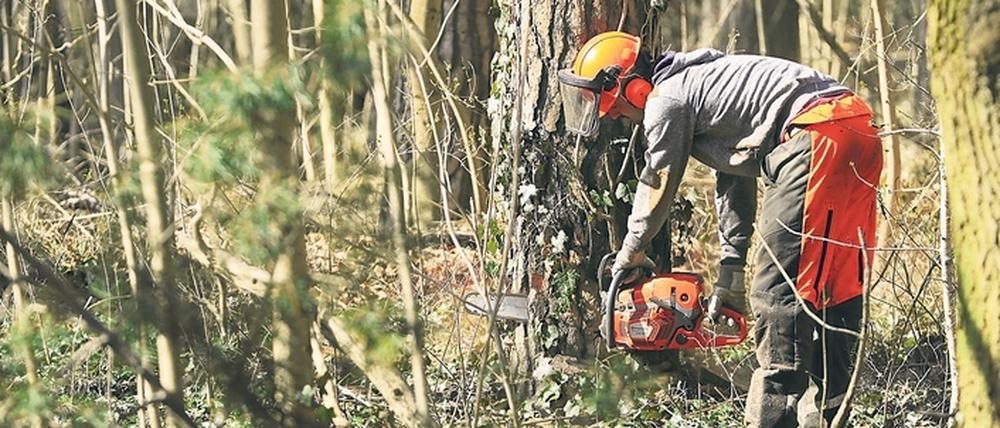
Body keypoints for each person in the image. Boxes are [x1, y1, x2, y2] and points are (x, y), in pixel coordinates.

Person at [558, 31, 882, 427]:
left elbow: (658, 179)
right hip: (857, 127)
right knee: (833, 280)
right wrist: (731, 269)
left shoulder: (667, 98)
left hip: (816, 135)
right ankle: (831, 412)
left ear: (635, 88)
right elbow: (736, 178)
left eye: (616, 107)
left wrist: (631, 252)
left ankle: (774, 419)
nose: (617, 117)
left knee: (778, 291)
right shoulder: (706, 82)